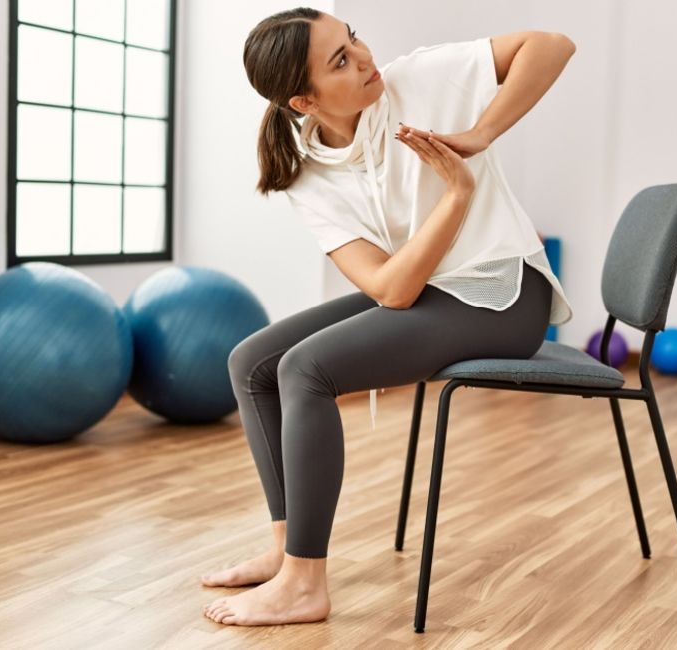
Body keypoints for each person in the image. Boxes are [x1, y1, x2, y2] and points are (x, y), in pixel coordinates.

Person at [203, 7, 576, 626]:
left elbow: (553, 45)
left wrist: (481, 136)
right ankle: (284, 547)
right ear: (304, 99)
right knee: (253, 364)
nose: (365, 58)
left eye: (352, 40)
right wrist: (456, 197)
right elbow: (389, 288)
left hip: (504, 294)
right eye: (340, 61)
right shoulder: (304, 171)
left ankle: (304, 583)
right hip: (429, 291)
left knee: (306, 369)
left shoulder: (420, 79)